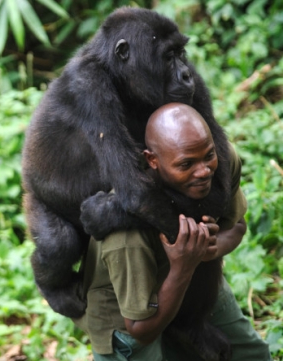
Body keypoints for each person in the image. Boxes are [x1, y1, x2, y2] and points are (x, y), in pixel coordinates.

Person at [72, 103, 271, 360]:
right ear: (152, 160)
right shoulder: (125, 233)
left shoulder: (220, 162)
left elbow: (237, 226)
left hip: (192, 277)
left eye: (207, 155)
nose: (203, 171)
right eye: (186, 164)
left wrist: (209, 247)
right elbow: (141, 330)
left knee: (251, 354)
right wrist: (184, 266)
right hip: (129, 309)